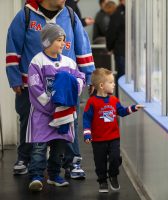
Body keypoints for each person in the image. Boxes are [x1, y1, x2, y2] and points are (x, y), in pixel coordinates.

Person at [6, 0, 95, 178]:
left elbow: (82, 46)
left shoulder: (70, 15)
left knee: (68, 122)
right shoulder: (25, 15)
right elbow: (13, 48)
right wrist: (15, 78)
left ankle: (73, 161)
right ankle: (24, 158)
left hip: (66, 87)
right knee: (29, 122)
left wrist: (88, 75)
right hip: (31, 86)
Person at [27, 23, 85, 192]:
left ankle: (53, 175)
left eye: (63, 40)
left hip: (63, 115)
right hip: (42, 115)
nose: (62, 44)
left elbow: (79, 79)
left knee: (59, 147)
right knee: (39, 147)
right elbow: (34, 86)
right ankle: (36, 176)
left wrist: (73, 88)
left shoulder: (69, 62)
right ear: (47, 41)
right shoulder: (37, 61)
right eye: (59, 40)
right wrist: (51, 106)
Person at [83, 68, 144, 193]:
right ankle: (102, 181)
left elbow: (121, 111)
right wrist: (87, 133)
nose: (114, 84)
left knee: (115, 158)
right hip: (98, 140)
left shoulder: (114, 100)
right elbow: (86, 119)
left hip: (113, 137)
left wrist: (133, 108)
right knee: (100, 162)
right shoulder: (92, 102)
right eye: (111, 82)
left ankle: (113, 175)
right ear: (101, 85)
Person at [106, 0, 125, 97]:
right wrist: (110, 47)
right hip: (121, 51)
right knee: (122, 76)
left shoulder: (124, 13)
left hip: (125, 51)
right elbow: (111, 33)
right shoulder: (118, 14)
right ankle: (119, 99)